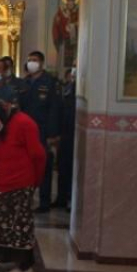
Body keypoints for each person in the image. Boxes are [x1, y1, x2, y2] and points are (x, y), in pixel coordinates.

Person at [0, 97, 47, 272]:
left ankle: (25, 265)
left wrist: (36, 182)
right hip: (0, 179)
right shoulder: (2, 125)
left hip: (20, 181)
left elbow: (38, 156)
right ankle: (5, 257)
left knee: (19, 224)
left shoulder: (24, 123)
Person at [20, 50, 61, 212]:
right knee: (26, 167)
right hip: (25, 132)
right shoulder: (25, 82)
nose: (31, 63)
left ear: (41, 63)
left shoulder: (50, 82)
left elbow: (55, 109)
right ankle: (26, 198)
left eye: (35, 60)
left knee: (44, 166)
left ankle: (44, 201)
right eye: (29, 60)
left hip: (43, 131)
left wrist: (52, 134)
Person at [53, 66, 76, 210]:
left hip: (73, 132)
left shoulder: (78, 90)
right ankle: (61, 198)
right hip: (64, 132)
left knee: (71, 168)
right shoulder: (65, 89)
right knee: (62, 167)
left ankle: (69, 198)